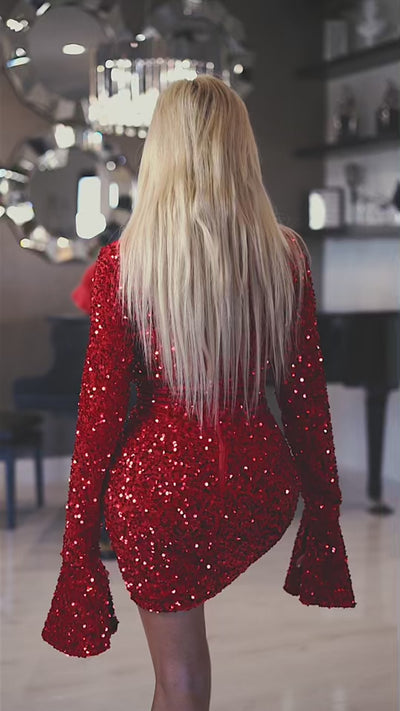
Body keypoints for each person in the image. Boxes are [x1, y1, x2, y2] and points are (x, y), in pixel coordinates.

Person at [42, 76, 356, 711]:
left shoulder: (124, 264)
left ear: (161, 151)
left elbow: (100, 416)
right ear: (241, 149)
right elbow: (306, 398)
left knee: (178, 680)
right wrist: (323, 509)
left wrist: (79, 543)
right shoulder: (285, 255)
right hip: (260, 485)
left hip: (157, 491)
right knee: (184, 673)